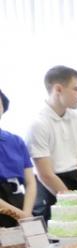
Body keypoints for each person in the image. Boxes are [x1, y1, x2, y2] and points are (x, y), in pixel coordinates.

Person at [26, 66, 77, 220]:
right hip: (52, 188)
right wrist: (72, 201)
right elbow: (45, 174)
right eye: (76, 89)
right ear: (58, 89)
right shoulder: (39, 123)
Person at [0, 90, 36, 226]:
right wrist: (20, 214)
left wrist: (26, 212)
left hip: (20, 201)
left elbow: (31, 182)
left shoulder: (16, 140)